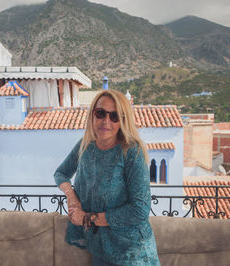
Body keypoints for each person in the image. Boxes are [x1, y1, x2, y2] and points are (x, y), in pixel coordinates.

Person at [54, 89, 160, 266]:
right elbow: (61, 173)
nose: (106, 121)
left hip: (132, 254)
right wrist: (72, 197)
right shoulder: (84, 146)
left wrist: (87, 218)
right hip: (100, 249)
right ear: (92, 115)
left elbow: (140, 210)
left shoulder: (132, 152)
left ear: (123, 121)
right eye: (100, 113)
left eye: (114, 116)